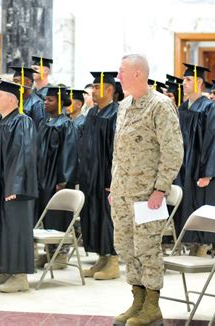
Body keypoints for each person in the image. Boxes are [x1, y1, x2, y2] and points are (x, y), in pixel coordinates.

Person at [111, 54, 183, 326]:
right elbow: (118, 152)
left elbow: (173, 151)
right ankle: (137, 301)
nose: (118, 77)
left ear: (138, 73)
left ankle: (152, 306)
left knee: (148, 248)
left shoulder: (160, 106)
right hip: (122, 193)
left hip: (147, 196)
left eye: (122, 71)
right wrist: (114, 186)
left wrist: (160, 189)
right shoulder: (125, 105)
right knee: (127, 247)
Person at [0, 80, 38, 293]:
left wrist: (15, 186)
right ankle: (3, 270)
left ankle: (19, 276)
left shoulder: (22, 122)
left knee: (14, 229)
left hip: (13, 190)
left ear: (12, 99)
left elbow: (24, 155)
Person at [174, 63, 215, 257]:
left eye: (188, 80)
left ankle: (202, 245)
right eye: (184, 80)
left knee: (202, 202)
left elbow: (214, 141)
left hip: (201, 166)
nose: (183, 83)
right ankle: (190, 241)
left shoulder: (210, 107)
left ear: (199, 83)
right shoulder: (183, 108)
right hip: (184, 166)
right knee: (186, 202)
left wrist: (208, 173)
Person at [79, 71, 120, 280]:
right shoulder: (93, 113)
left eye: (97, 87)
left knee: (107, 218)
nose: (93, 91)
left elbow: (118, 150)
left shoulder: (116, 114)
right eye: (93, 87)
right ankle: (101, 258)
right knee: (93, 216)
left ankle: (113, 261)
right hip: (90, 178)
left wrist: (113, 180)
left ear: (110, 90)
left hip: (106, 178)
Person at [34, 86, 78, 269]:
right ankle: (49, 251)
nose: (46, 102)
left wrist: (63, 180)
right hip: (42, 177)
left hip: (56, 180)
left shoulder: (65, 124)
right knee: (45, 215)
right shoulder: (44, 123)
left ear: (59, 102)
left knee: (57, 215)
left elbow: (69, 154)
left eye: (50, 100)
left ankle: (60, 255)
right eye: (45, 100)